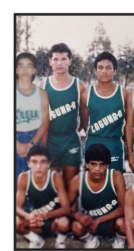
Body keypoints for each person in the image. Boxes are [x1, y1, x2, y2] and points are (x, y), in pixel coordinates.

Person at [38, 43, 86, 189]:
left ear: (70, 61)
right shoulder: (43, 85)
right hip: (51, 141)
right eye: (56, 59)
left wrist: (72, 131)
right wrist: (43, 147)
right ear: (50, 61)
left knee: (71, 187)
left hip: (71, 141)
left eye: (64, 59)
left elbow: (85, 118)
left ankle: (71, 212)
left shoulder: (79, 85)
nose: (60, 63)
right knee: (51, 188)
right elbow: (41, 121)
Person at [68, 144, 126, 249]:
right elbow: (64, 207)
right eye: (93, 164)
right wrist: (78, 216)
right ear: (86, 164)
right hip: (89, 223)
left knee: (123, 223)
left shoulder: (116, 176)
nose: (97, 169)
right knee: (76, 227)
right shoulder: (77, 180)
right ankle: (90, 239)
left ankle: (119, 241)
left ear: (107, 165)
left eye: (101, 164)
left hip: (110, 223)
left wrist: (99, 221)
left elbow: (124, 208)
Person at [80, 51, 128, 172]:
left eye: (108, 68)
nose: (104, 71)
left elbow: (129, 123)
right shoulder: (87, 95)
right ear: (95, 71)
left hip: (114, 144)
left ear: (114, 70)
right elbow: (86, 122)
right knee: (92, 184)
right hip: (93, 142)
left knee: (116, 184)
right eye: (100, 68)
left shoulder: (124, 94)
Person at [16, 146, 70, 249]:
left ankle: (60, 241)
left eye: (43, 162)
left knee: (64, 222)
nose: (38, 166)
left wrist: (45, 215)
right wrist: (28, 216)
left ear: (49, 164)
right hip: (35, 221)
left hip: (53, 220)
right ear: (28, 163)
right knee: (16, 222)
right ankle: (35, 240)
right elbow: (16, 207)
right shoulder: (23, 177)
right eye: (34, 162)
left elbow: (66, 209)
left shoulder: (55, 177)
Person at [16, 52, 50, 183]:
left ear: (34, 69)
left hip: (34, 141)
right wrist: (17, 144)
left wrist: (31, 144)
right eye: (21, 66)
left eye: (29, 66)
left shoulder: (42, 93)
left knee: (33, 186)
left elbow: (45, 122)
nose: (25, 70)